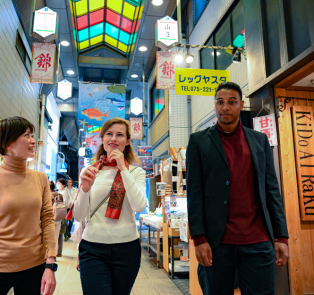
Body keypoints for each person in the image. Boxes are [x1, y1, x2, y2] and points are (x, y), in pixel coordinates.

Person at [186, 82, 289, 295]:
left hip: (258, 239)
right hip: (217, 242)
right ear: (214, 105)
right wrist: (199, 238)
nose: (226, 107)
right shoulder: (198, 141)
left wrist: (281, 237)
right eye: (220, 102)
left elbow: (271, 190)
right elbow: (194, 193)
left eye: (232, 102)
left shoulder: (259, 140)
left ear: (241, 105)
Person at [73, 117, 147, 295]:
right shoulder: (91, 171)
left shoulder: (136, 172)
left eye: (120, 135)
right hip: (92, 248)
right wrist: (85, 189)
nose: (114, 138)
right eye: (109, 134)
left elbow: (138, 206)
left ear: (128, 141)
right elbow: (78, 215)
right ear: (102, 138)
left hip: (127, 248)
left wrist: (123, 168)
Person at [0, 117, 57, 295]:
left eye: (32, 135)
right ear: (8, 144)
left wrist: (50, 264)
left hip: (34, 266)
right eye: (27, 135)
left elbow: (47, 219)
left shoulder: (40, 178)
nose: (34, 141)